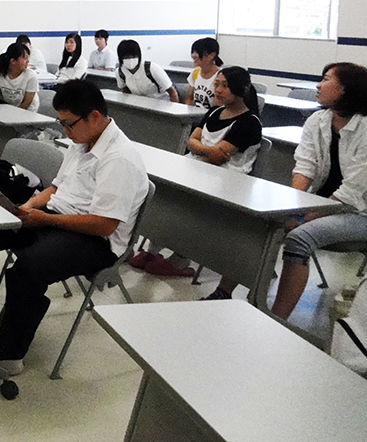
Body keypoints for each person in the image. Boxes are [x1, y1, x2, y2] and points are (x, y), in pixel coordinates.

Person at [0, 80, 149, 375]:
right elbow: (56, 186)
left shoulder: (120, 159)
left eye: (68, 124)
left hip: (95, 240)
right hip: (57, 218)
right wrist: (28, 207)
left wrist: (44, 220)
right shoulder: (82, 141)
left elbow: (103, 224)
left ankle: (8, 358)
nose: (64, 132)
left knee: (28, 270)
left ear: (93, 116)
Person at [138, 67, 262, 293]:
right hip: (199, 170)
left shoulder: (249, 122)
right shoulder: (214, 113)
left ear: (240, 90)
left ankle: (181, 257)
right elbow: (191, 141)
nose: (218, 90)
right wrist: (204, 149)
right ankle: (153, 249)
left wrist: (200, 149)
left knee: (183, 202)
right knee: (160, 193)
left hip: (227, 182)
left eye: (224, 86)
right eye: (217, 84)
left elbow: (217, 157)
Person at [270, 63, 367, 321]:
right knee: (263, 222)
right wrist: (292, 207)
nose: (318, 85)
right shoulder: (318, 120)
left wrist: (306, 216)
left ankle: (276, 320)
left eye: (325, 80)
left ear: (347, 90)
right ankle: (226, 292)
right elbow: (305, 166)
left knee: (299, 238)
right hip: (323, 203)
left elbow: (352, 190)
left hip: (359, 212)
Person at [0, 42, 40, 113]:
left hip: (28, 111)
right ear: (13, 61)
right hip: (9, 110)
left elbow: (28, 101)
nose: (28, 61)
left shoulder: (30, 76)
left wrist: (15, 113)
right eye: (25, 58)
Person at [185, 37, 223, 109]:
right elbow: (189, 98)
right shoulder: (195, 72)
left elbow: (218, 105)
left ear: (211, 55)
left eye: (198, 53)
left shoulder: (220, 76)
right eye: (193, 52)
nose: (194, 56)